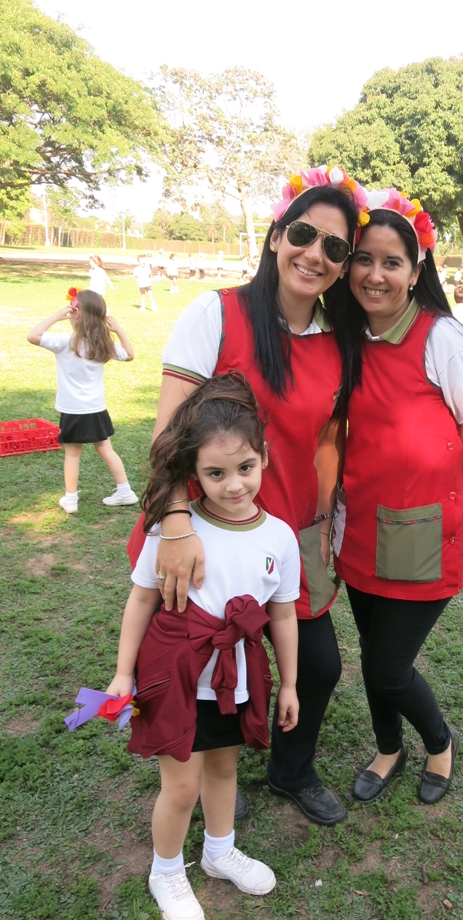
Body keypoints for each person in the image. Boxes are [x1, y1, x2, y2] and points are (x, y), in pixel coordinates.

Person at [131, 166, 368, 826]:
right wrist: (175, 522)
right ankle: (202, 776)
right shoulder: (216, 313)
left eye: (334, 247)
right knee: (195, 666)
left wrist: (323, 528)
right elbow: (167, 434)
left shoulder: (337, 342)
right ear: (274, 237)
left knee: (318, 665)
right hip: (200, 528)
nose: (315, 254)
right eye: (303, 235)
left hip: (287, 535)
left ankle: (290, 770)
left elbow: (327, 443)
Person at [332, 188, 463, 806]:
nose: (374, 274)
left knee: (387, 667)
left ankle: (439, 743)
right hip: (359, 525)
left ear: (416, 271)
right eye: (363, 259)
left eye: (392, 262)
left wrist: (453, 504)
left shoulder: (442, 339)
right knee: (372, 656)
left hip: (422, 535)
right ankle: (389, 748)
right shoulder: (349, 336)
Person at [106, 374, 300, 920]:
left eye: (245, 468)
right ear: (193, 472)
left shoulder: (280, 537)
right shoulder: (173, 532)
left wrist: (288, 684)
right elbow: (142, 599)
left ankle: (219, 850)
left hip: (235, 677)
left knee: (223, 766)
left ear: (264, 458)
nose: (234, 485)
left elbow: (283, 614)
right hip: (177, 672)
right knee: (182, 783)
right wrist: (122, 673)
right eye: (216, 473)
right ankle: (165, 871)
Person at [26, 290, 137, 513]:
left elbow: (33, 336)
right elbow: (129, 354)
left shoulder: (65, 342)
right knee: (106, 449)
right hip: (95, 408)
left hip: (72, 410)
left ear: (75, 313)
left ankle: (70, 499)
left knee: (72, 453)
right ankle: (125, 492)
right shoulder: (103, 344)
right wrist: (118, 329)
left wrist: (57, 315)